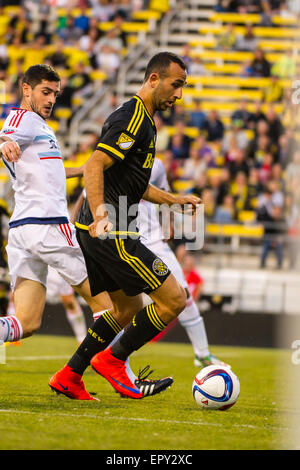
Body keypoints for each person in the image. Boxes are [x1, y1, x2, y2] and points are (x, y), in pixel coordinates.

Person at [0, 64, 171, 400]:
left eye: (55, 93)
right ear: (26, 89)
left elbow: (51, 171)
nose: (50, 99)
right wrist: (4, 143)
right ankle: (123, 375)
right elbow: (8, 133)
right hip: (49, 227)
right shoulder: (23, 120)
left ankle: (77, 376)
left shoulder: (43, 130)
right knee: (115, 306)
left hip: (22, 232)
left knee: (27, 322)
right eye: (45, 92)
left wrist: (87, 168)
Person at [50, 52, 201, 400]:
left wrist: (174, 201)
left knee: (126, 310)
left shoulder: (145, 121)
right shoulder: (133, 117)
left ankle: (70, 374)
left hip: (101, 231)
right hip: (112, 230)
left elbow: (136, 186)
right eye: (176, 85)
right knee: (175, 299)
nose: (178, 95)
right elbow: (93, 167)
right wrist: (102, 214)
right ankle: (114, 361)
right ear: (153, 79)